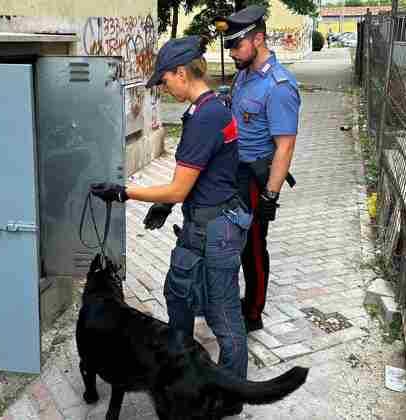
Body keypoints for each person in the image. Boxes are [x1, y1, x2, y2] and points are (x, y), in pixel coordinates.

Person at [89, 35, 252, 413]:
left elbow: (179, 188)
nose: (163, 88)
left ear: (182, 72)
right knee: (178, 294)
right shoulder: (204, 110)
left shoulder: (207, 116)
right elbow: (201, 177)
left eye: (164, 81)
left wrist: (124, 192)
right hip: (206, 222)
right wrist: (169, 205)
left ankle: (229, 400)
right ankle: (182, 372)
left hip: (216, 230)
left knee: (223, 316)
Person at [214, 5, 301, 332]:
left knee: (252, 248)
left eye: (237, 45)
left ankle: (253, 312)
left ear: (259, 39)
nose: (233, 52)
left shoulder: (279, 86)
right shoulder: (244, 74)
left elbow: (285, 146)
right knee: (231, 241)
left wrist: (270, 196)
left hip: (254, 179)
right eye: (231, 47)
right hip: (233, 172)